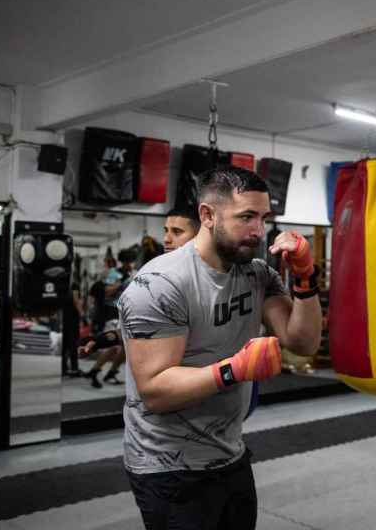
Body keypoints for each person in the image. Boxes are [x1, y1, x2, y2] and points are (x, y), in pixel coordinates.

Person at [119, 166, 322, 529]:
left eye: (263, 218)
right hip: (168, 464)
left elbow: (302, 343)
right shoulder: (160, 284)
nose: (259, 231)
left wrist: (306, 278)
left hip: (231, 454)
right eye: (246, 217)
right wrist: (235, 369)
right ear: (207, 215)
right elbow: (155, 391)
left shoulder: (257, 275)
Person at [79, 318, 125, 388]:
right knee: (115, 344)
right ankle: (96, 371)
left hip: (119, 320)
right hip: (114, 320)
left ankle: (103, 372)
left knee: (122, 347)